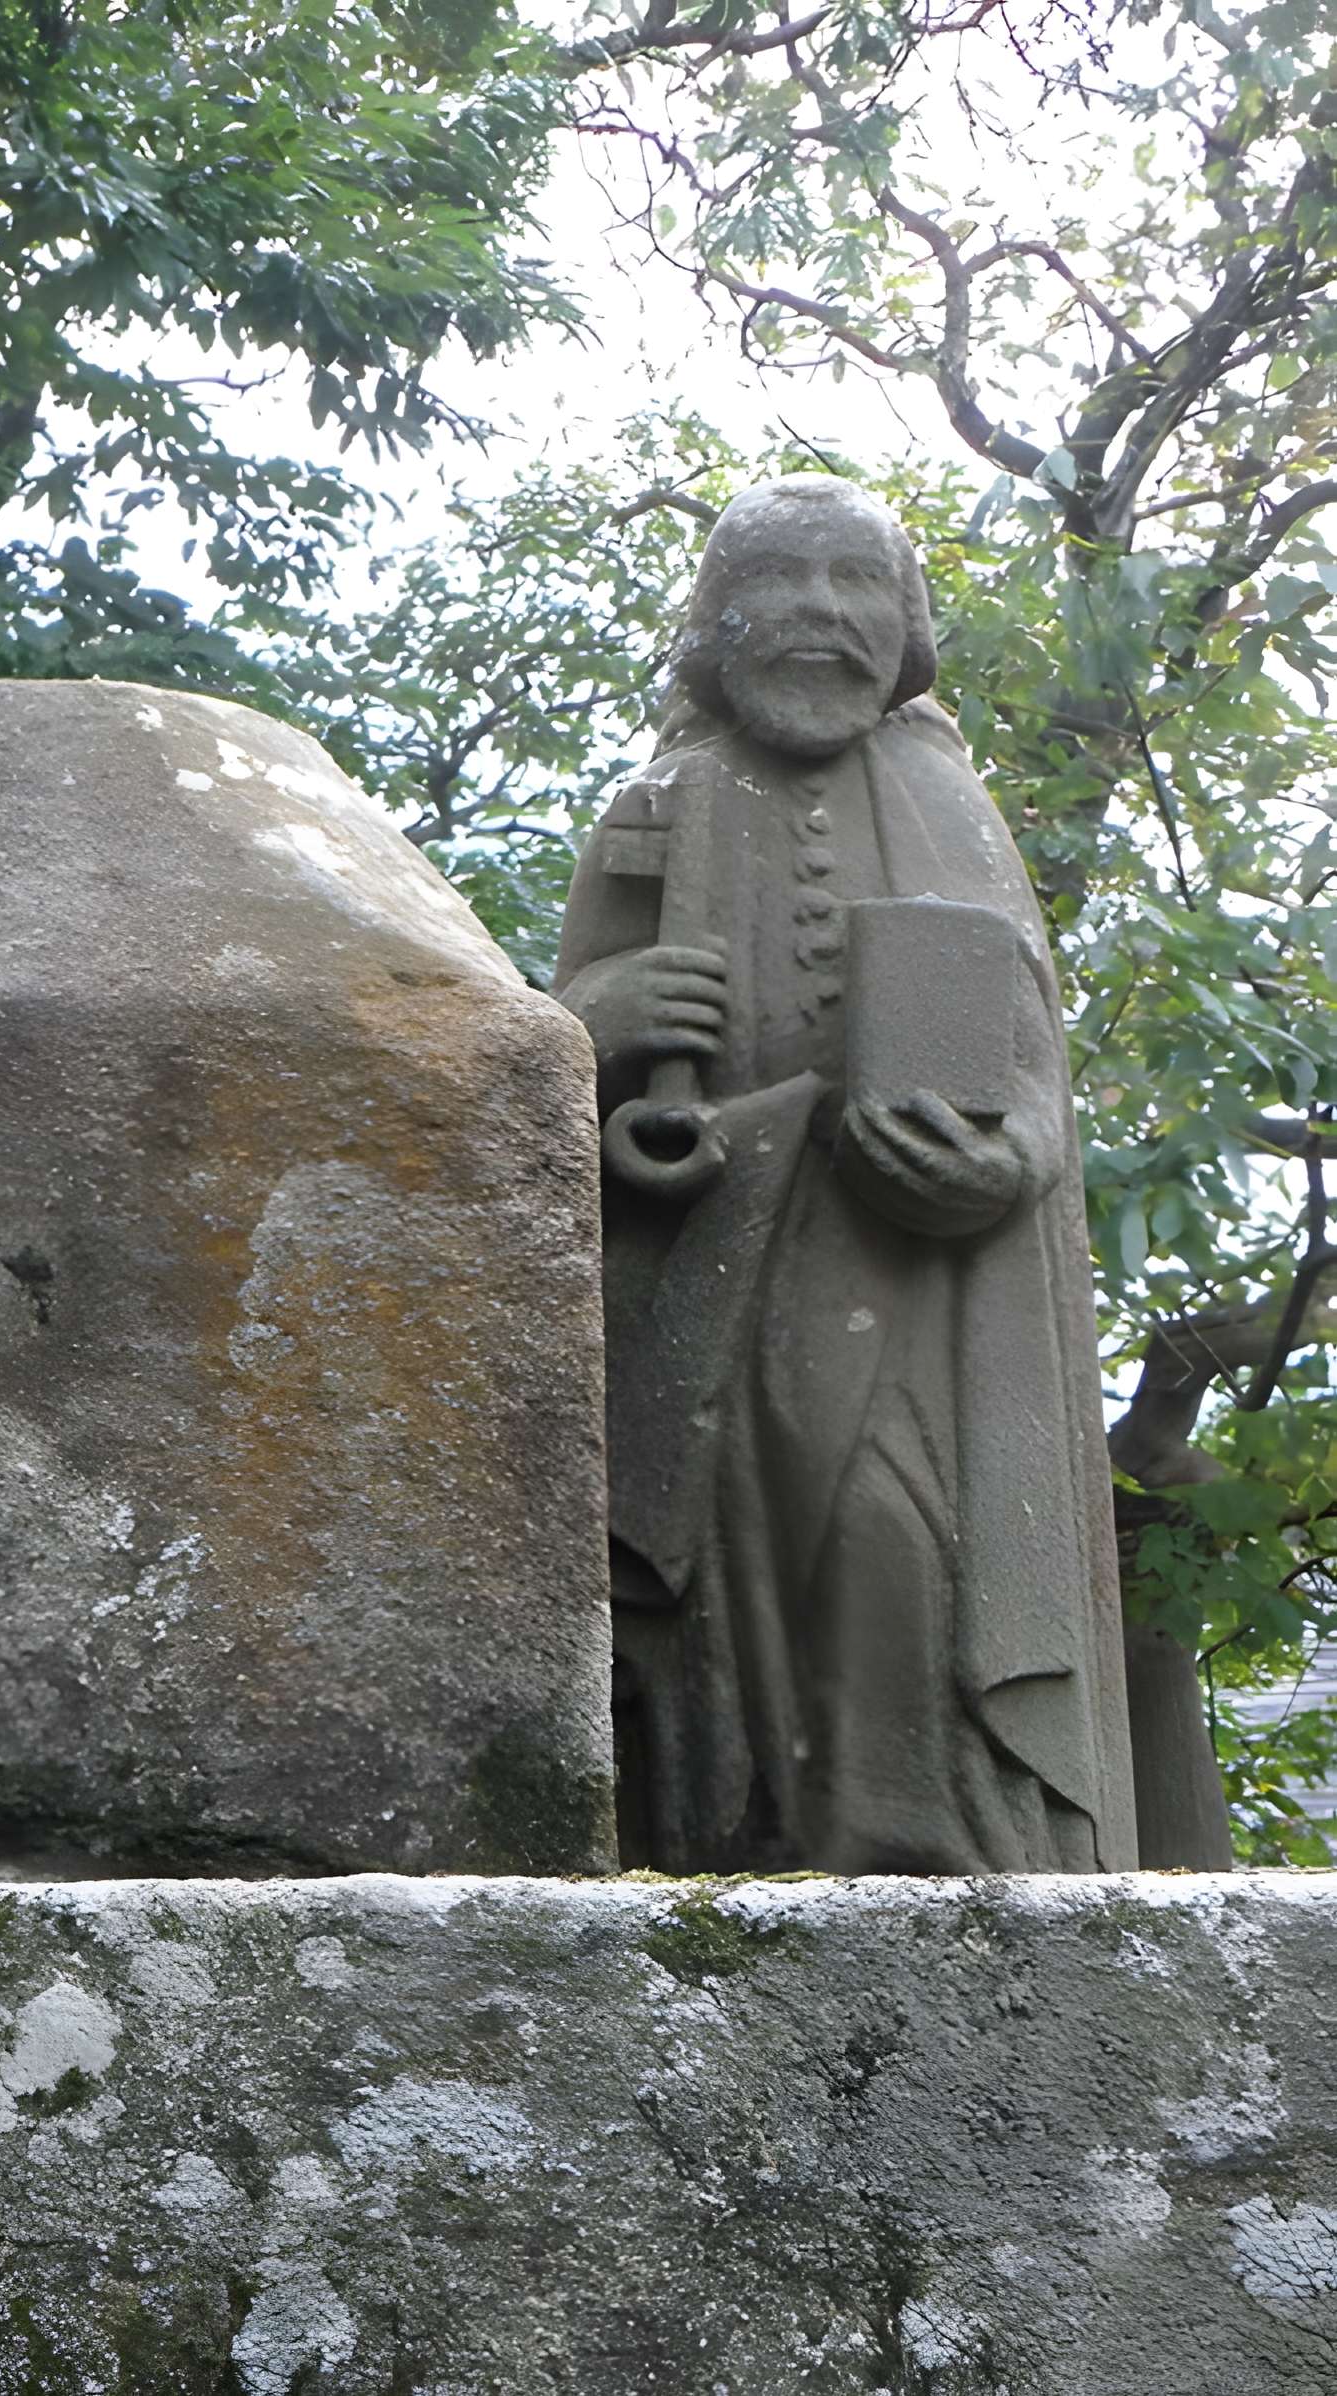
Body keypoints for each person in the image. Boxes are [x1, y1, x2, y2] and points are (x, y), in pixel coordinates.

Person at [555, 476, 1136, 1874]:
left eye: (857, 581)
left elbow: (1033, 1058)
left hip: (921, 1303)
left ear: (907, 629)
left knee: (904, 1552)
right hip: (716, 1298)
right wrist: (603, 1030)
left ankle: (944, 1872)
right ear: (714, 624)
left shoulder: (952, 804)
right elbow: (544, 1082)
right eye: (781, 575)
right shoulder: (656, 805)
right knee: (732, 1617)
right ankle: (742, 1867)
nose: (820, 610)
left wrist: (1007, 1159)